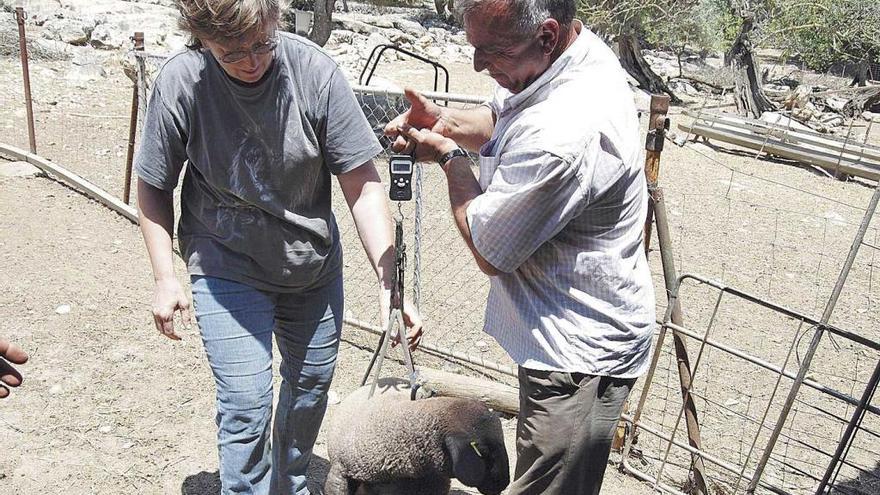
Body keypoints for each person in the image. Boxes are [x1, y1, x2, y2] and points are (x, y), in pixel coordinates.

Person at [134, 0, 422, 493]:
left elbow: (362, 184)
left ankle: (289, 483)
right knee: (245, 403)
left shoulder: (315, 73)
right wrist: (165, 276)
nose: (252, 60)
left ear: (276, 21)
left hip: (310, 267)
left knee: (310, 391)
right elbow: (154, 185)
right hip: (225, 265)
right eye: (232, 51)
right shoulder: (183, 82)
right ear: (203, 40)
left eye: (263, 43)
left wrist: (388, 281)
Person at [384, 0, 655, 493]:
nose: (478, 65)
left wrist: (450, 159)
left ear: (547, 35)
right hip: (561, 336)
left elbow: (489, 250)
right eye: (474, 47)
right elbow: (502, 114)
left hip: (578, 355)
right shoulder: (570, 56)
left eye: (491, 51)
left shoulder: (565, 130)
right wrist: (443, 120)